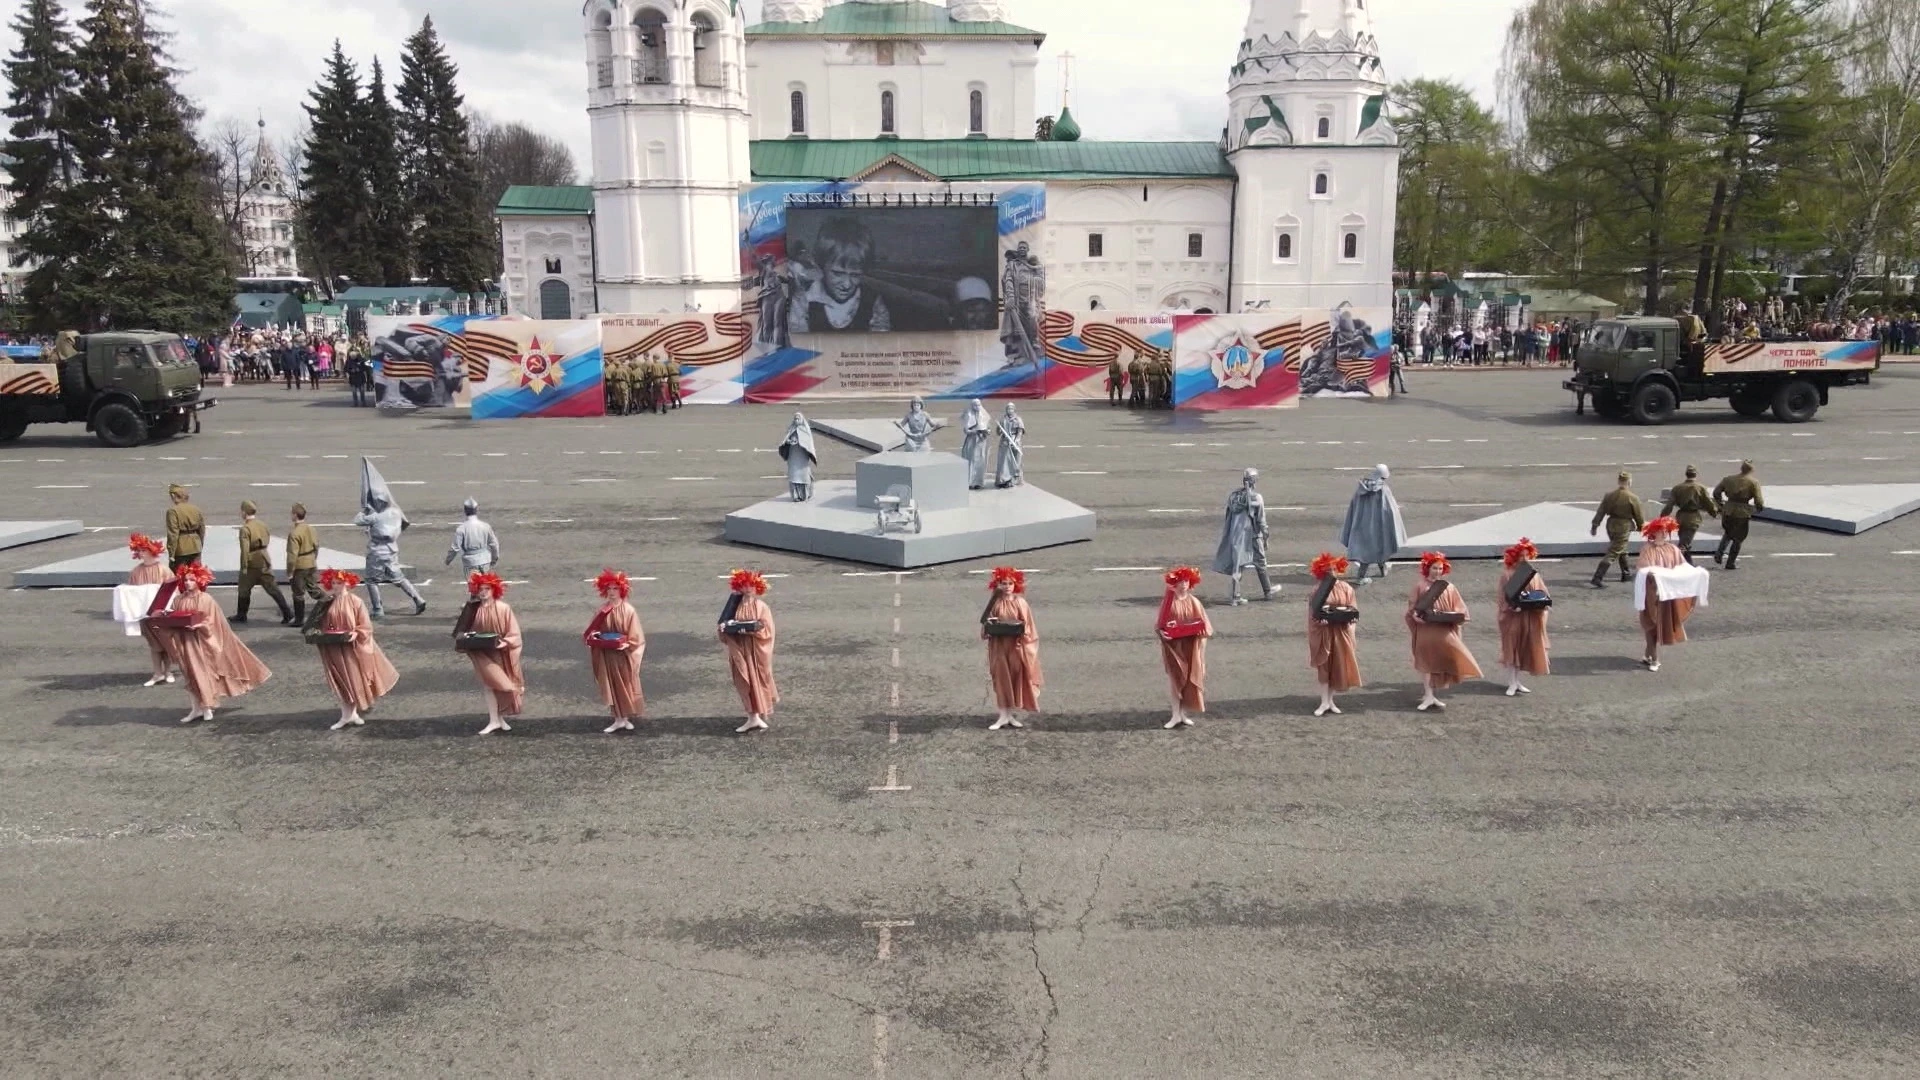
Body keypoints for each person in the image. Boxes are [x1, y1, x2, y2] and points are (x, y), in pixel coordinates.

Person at [158, 562, 272, 724]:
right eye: (186, 580)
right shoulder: (178, 600)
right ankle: (196, 708)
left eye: (192, 580)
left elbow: (213, 622)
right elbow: (175, 618)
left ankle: (206, 706)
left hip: (200, 644)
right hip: (183, 642)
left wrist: (201, 626)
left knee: (201, 674)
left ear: (200, 581)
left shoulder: (206, 599)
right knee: (189, 675)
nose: (188, 583)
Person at [311, 569, 399, 730]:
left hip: (352, 648)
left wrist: (356, 633)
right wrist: (319, 634)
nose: (336, 586)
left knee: (353, 680)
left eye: (339, 583)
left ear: (347, 584)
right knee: (341, 680)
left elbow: (366, 625)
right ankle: (348, 715)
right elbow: (318, 622)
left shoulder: (355, 601)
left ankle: (349, 715)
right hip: (333, 646)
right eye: (333, 583)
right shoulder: (327, 601)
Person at [788, 216, 892, 334]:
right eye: (837, 273)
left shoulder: (873, 303)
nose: (846, 285)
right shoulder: (804, 299)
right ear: (821, 265)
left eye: (855, 275)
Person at [1406, 551, 1480, 712]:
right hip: (1426, 630)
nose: (1437, 571)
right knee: (1426, 663)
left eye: (1440, 568)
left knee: (1448, 657)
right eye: (1434, 568)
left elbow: (1459, 607)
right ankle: (1428, 695)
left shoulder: (1450, 587)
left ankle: (1434, 693)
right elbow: (1412, 608)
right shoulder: (1420, 586)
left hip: (1444, 629)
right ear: (1427, 568)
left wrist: (1457, 617)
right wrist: (1416, 617)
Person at [356, 458, 428, 618]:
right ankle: (418, 598)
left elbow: (358, 520)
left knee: (371, 580)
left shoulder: (376, 516)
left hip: (377, 550)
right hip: (392, 549)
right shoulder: (395, 512)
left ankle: (377, 608)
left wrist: (364, 511)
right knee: (399, 578)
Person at [1635, 517, 1706, 672]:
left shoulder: (1673, 549)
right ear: (1654, 533)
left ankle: (1650, 657)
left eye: (1666, 531)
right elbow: (1643, 569)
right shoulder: (1647, 549)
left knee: (1659, 624)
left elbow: (1682, 567)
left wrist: (1696, 573)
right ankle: (1654, 658)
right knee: (1650, 624)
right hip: (1652, 593)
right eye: (1661, 531)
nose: (1664, 534)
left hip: (1667, 594)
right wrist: (1655, 576)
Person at [457, 572, 524, 735]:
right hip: (482, 653)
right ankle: (494, 720)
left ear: (494, 590)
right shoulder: (473, 609)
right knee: (490, 685)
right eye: (481, 589)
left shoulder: (503, 608)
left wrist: (505, 642)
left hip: (501, 653)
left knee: (504, 686)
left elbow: (514, 632)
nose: (484, 592)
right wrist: (467, 638)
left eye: (487, 588)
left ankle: (499, 719)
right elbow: (462, 632)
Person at [585, 569, 646, 734]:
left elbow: (636, 636)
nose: (612, 592)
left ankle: (624, 717)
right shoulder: (602, 611)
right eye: (609, 589)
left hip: (622, 656)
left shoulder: (629, 611)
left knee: (624, 686)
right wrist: (595, 637)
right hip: (606, 655)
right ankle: (618, 718)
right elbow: (592, 630)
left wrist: (629, 645)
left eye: (615, 589)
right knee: (611, 685)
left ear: (622, 590)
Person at [981, 566, 1041, 730]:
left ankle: (1010, 715)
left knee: (1015, 680)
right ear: (997, 584)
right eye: (1003, 583)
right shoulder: (995, 602)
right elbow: (985, 625)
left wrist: (1024, 636)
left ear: (1016, 585)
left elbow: (1029, 626)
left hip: (1016, 647)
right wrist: (990, 625)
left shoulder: (1021, 603)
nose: (1007, 586)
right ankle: (1002, 715)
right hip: (999, 647)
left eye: (1010, 583)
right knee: (1001, 680)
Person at [719, 569, 777, 734]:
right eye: (744, 585)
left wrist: (750, 630)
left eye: (751, 585)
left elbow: (767, 630)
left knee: (757, 681)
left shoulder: (762, 607)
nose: (748, 588)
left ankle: (756, 716)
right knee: (744, 681)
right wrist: (726, 628)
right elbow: (723, 624)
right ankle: (752, 716)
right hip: (740, 649)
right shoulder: (733, 606)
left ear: (757, 587)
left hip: (755, 652)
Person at [1156, 566, 1213, 730]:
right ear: (1174, 583)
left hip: (1190, 647)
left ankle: (1182, 714)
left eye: (1186, 581)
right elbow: (1160, 625)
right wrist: (1162, 634)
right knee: (1176, 680)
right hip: (1174, 647)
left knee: (1187, 681)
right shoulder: (1168, 603)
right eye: (1180, 581)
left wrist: (1200, 645)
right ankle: (1175, 714)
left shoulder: (1195, 602)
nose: (1183, 584)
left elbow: (1206, 627)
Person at [1307, 552, 1362, 716]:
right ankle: (1324, 702)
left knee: (1336, 666)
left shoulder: (1346, 588)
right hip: (1324, 633)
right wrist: (1319, 622)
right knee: (1324, 667)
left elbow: (1353, 610)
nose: (1331, 572)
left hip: (1341, 632)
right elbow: (1313, 614)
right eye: (1327, 569)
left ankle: (1330, 701)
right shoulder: (1318, 590)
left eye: (1333, 568)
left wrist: (1351, 625)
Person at [1496, 538, 1550, 697]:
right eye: (1522, 555)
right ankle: (1511, 682)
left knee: (1522, 649)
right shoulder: (1508, 575)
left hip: (1529, 616)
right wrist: (1511, 607)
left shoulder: (1533, 574)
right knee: (1512, 649)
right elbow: (1502, 597)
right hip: (1513, 618)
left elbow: (1542, 592)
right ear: (1516, 557)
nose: (1525, 558)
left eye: (1527, 555)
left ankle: (1516, 681)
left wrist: (1544, 604)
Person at [1212, 468, 1275, 605]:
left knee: (1238, 566)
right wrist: (1266, 537)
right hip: (1253, 535)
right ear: (1255, 481)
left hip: (1238, 536)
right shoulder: (1256, 498)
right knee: (1261, 563)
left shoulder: (1234, 496)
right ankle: (1268, 591)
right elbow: (1261, 521)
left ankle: (1235, 597)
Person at [124, 533, 176, 687]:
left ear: (151, 551)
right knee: (153, 645)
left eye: (143, 550)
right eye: (138, 550)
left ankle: (168, 672)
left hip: (162, 614)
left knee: (166, 643)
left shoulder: (163, 570)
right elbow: (132, 593)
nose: (140, 553)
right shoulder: (136, 572)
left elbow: (172, 591)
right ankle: (157, 673)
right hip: (146, 615)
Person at [1340, 464, 1407, 584]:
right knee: (1381, 547)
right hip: (1379, 526)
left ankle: (1365, 575)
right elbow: (1389, 508)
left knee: (1365, 551)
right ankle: (1371, 574)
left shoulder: (1362, 487)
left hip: (1361, 525)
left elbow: (1354, 505)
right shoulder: (1383, 489)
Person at [233, 500, 293, 626]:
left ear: (244, 512)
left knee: (244, 589)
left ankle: (241, 614)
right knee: (273, 588)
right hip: (264, 558)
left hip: (251, 561)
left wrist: (244, 566)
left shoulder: (245, 529)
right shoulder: (262, 524)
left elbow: (245, 549)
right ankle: (287, 612)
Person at [1589, 471, 1646, 588]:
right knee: (1614, 551)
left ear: (1618, 481)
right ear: (1629, 482)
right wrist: (1642, 529)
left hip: (1611, 524)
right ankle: (1597, 577)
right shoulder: (1633, 498)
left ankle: (1626, 573)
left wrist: (1595, 526)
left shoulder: (1609, 495)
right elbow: (1639, 516)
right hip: (1623, 525)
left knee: (1621, 548)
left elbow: (1601, 512)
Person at [1659, 465, 1719, 564]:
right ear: (1695, 475)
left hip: (1680, 517)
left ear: (1686, 475)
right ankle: (1674, 563)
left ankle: (1688, 564)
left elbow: (1669, 505)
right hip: (1693, 518)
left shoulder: (1677, 488)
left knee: (1684, 541)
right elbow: (1708, 503)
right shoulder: (1700, 488)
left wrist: (1663, 516)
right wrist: (1714, 512)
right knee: (1684, 544)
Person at [1712, 460, 1764, 569]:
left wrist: (1721, 504)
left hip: (1728, 509)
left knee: (1728, 533)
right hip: (1742, 512)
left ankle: (1719, 553)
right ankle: (1730, 562)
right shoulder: (1753, 482)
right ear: (1751, 470)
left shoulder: (1728, 479)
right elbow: (1758, 499)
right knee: (1738, 538)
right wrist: (1759, 508)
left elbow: (1716, 492)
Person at [286, 503, 323, 628]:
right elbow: (316, 546)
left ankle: (299, 619)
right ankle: (330, 603)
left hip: (300, 565)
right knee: (314, 589)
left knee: (298, 593)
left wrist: (290, 571)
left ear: (295, 515)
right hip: (311, 562)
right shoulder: (311, 529)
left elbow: (292, 556)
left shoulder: (294, 533)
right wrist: (313, 559)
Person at [446, 498, 501, 574]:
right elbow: (494, 544)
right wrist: (494, 559)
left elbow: (455, 548)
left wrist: (448, 560)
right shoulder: (485, 526)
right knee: (486, 584)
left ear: (465, 511)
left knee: (474, 585)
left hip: (470, 563)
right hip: (485, 560)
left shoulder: (461, 529)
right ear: (476, 510)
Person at [164, 484, 205, 570]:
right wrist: (200, 544)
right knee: (196, 575)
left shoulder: (173, 511)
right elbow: (202, 530)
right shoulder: (196, 509)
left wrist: (171, 554)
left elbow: (173, 534)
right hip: (196, 546)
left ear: (174, 496)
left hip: (181, 548)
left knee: (179, 576)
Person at [780, 412, 818, 502]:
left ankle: (805, 494)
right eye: (795, 419)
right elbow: (785, 440)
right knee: (794, 476)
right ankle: (796, 496)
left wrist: (801, 443)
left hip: (802, 456)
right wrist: (788, 442)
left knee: (804, 475)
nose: (796, 421)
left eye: (798, 419)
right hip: (793, 456)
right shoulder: (791, 429)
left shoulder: (805, 429)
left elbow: (809, 443)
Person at [959, 398, 993, 489]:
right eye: (975, 405)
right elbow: (966, 430)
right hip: (971, 441)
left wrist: (986, 432)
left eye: (978, 404)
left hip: (981, 442)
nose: (977, 407)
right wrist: (975, 431)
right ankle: (969, 482)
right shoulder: (969, 415)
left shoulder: (984, 415)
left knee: (980, 460)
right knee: (971, 460)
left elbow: (988, 428)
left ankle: (978, 481)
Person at [994, 403, 1026, 488]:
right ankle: (1003, 480)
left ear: (1014, 409)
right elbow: (998, 432)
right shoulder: (1003, 419)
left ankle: (1013, 480)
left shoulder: (1018, 419)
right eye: (1008, 409)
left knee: (1015, 461)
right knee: (1004, 462)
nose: (1010, 410)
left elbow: (1020, 432)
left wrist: (1016, 441)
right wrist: (999, 428)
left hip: (1014, 441)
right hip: (1005, 442)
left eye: (1011, 409)